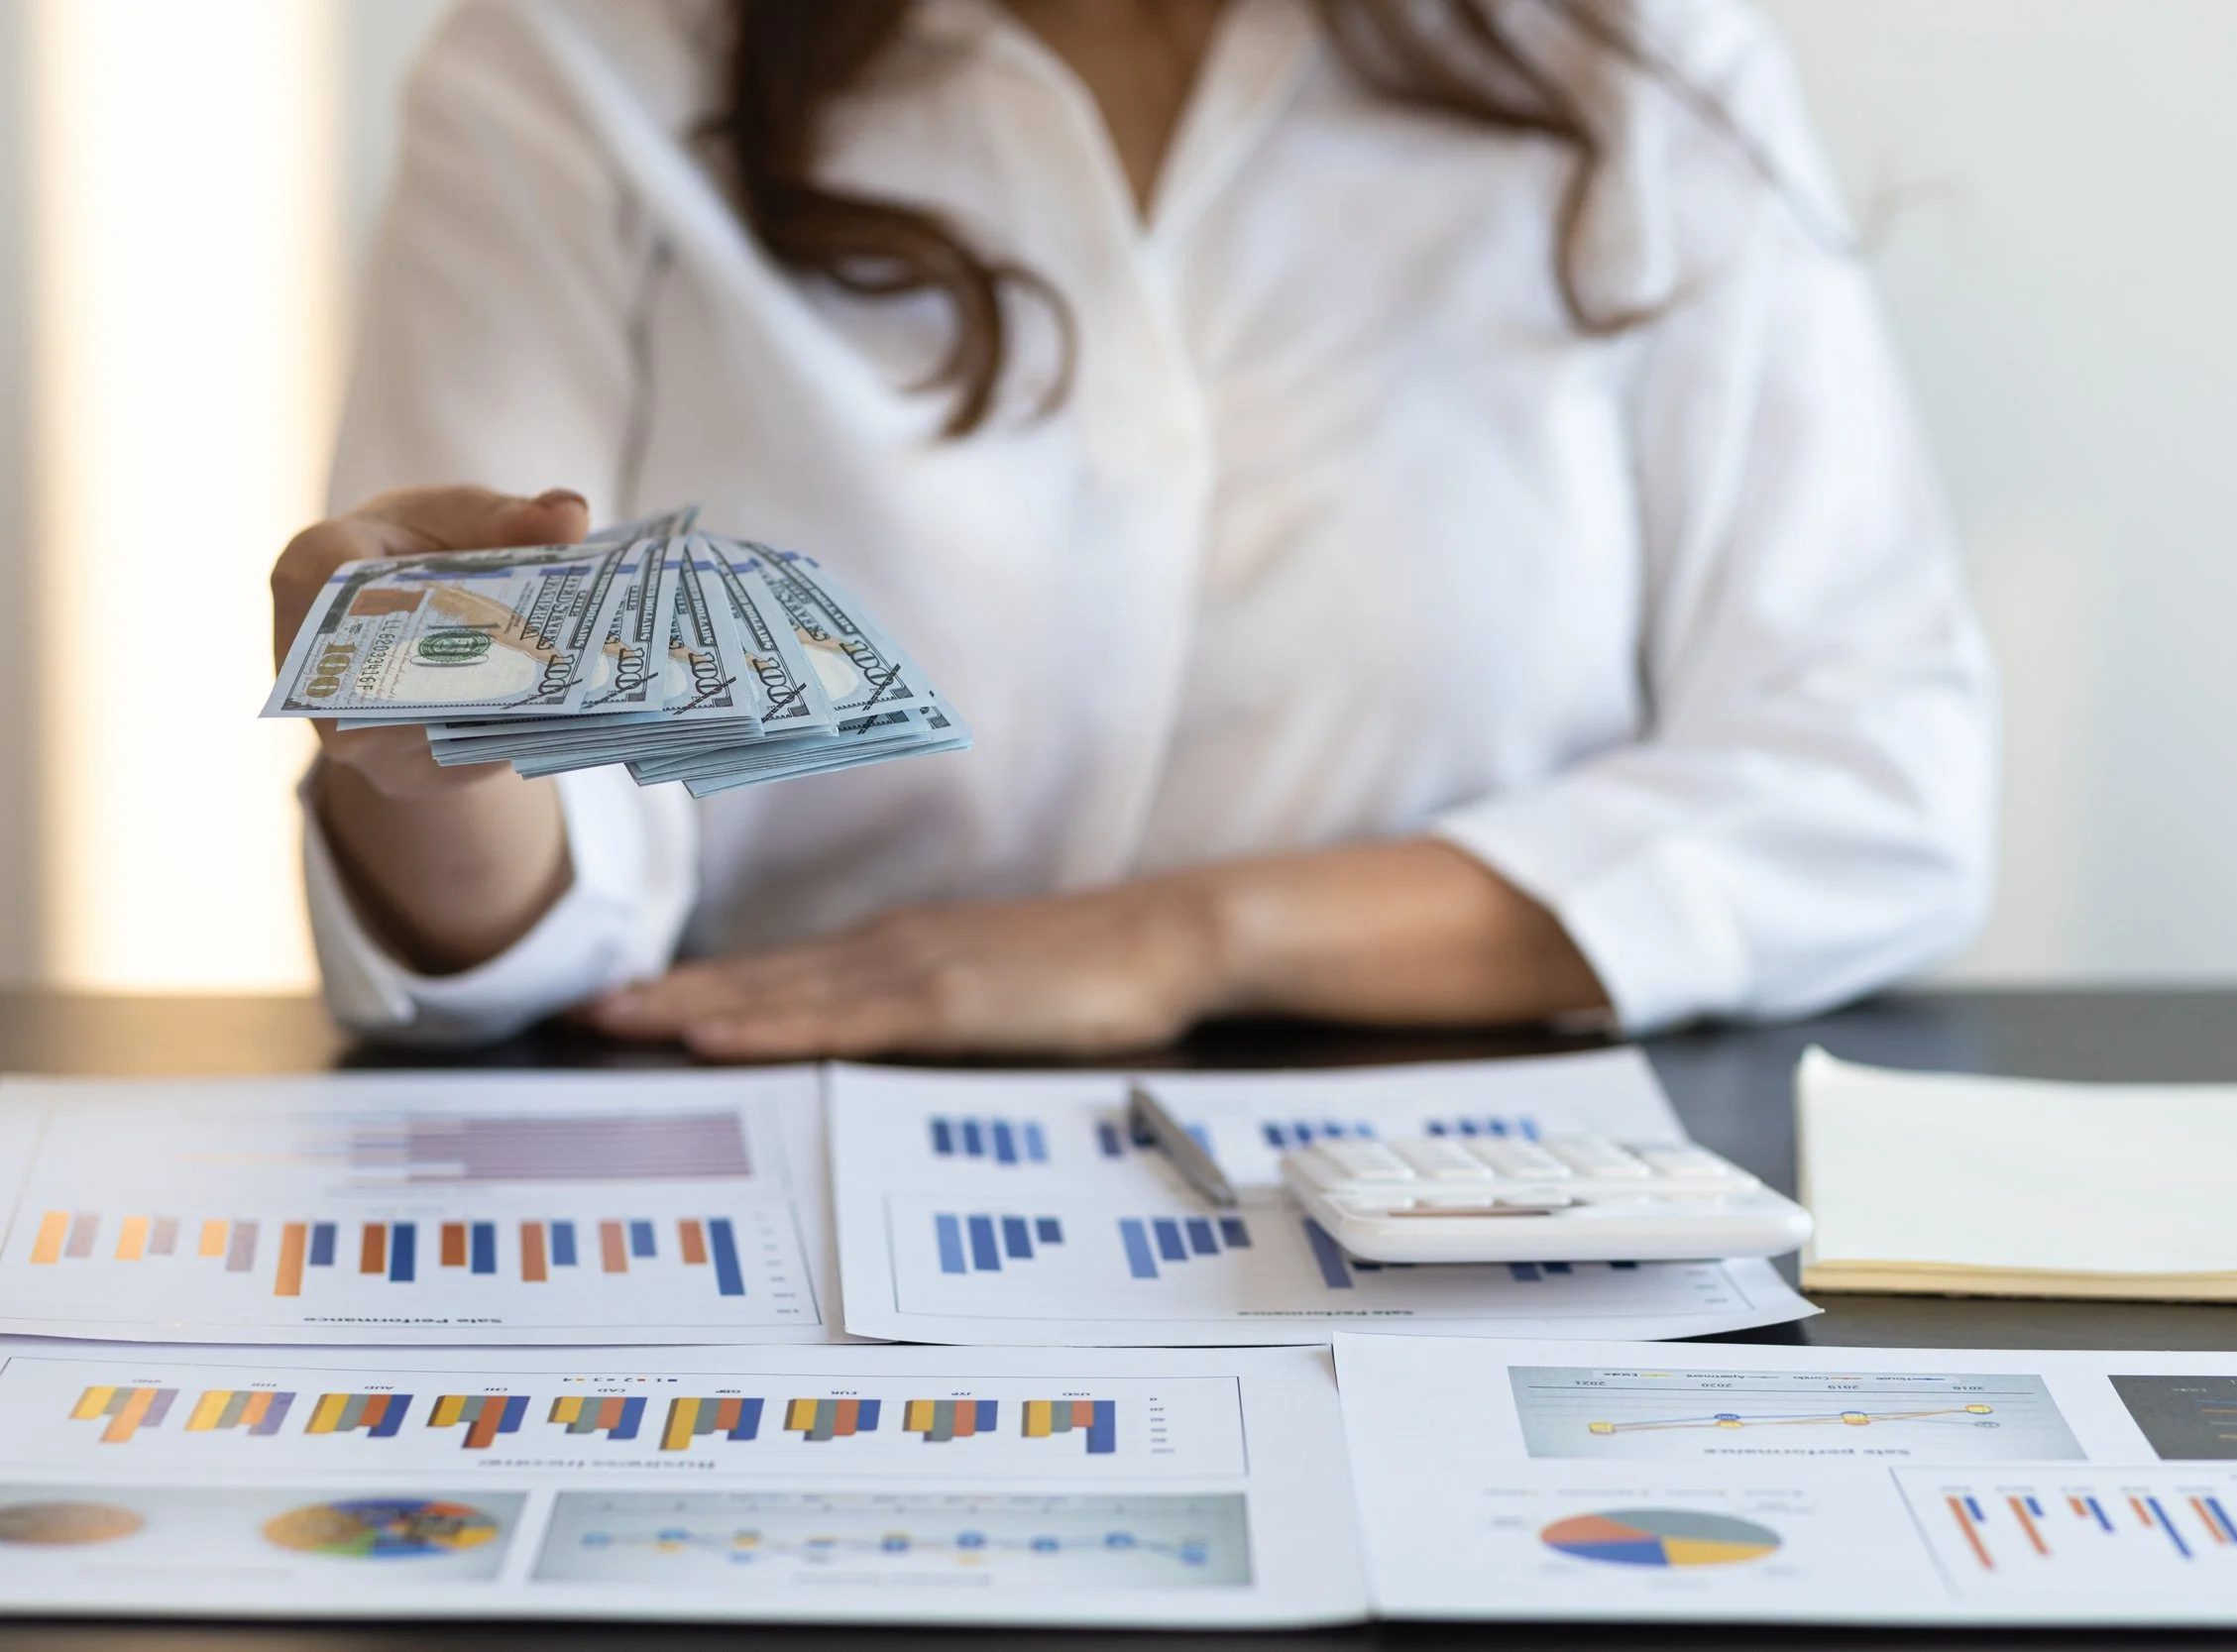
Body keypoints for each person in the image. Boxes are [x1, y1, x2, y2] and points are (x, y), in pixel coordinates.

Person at [271, 0, 1995, 1059]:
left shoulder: (1637, 75)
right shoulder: (569, 66)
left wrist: (1192, 933)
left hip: (1446, 1199)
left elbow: (1874, 776)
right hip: (759, 1159)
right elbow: (528, 883)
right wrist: (434, 757)